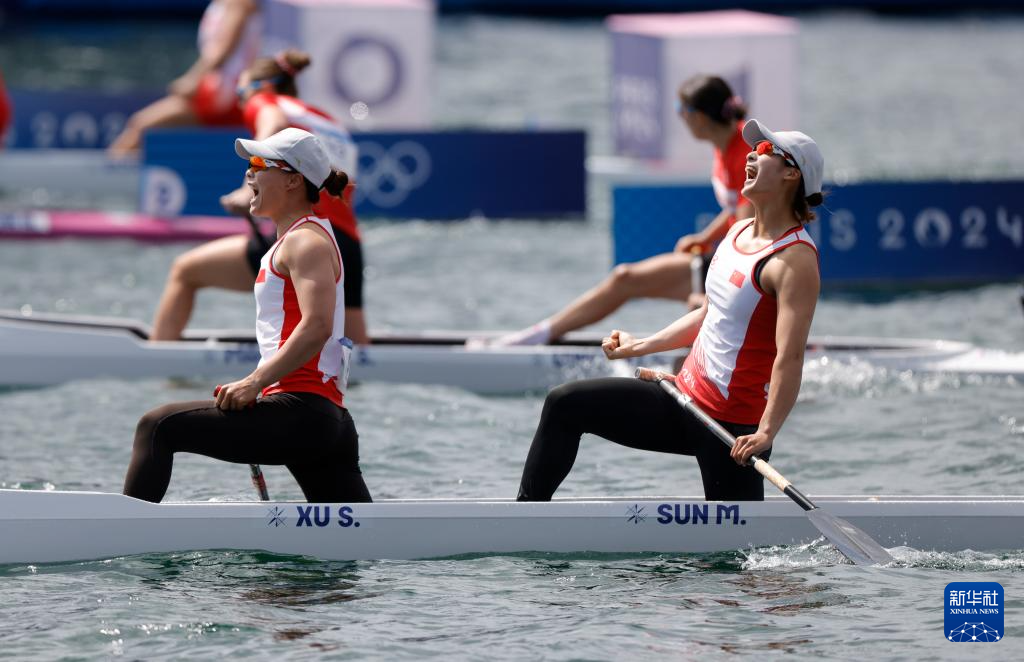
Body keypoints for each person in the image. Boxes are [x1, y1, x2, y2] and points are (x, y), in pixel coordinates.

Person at [516, 119, 824, 502]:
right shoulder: (737, 231)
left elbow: (790, 358)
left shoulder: (794, 260)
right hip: (683, 399)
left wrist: (766, 432)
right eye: (751, 149)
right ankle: (525, 514)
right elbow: (708, 316)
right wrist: (639, 346)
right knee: (564, 404)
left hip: (729, 429)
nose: (749, 157)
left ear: (792, 174)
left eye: (763, 151)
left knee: (733, 542)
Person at [123, 128, 373, 504]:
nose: (248, 173)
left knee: (157, 426)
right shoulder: (297, 239)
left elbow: (317, 326)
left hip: (301, 413)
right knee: (356, 534)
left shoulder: (305, 242)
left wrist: (254, 382)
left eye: (259, 164)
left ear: (292, 180)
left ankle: (125, 529)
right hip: (322, 419)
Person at [481, 75, 753, 347]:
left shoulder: (743, 154)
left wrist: (710, 292)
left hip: (736, 267)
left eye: (681, 109)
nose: (679, 116)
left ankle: (534, 338)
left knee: (625, 279)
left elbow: (746, 229)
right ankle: (539, 335)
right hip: (727, 257)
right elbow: (736, 207)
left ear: (700, 117)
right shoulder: (724, 143)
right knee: (626, 279)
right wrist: (705, 237)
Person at [150, 49, 369, 345]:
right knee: (357, 350)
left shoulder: (265, 100)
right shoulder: (325, 119)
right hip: (347, 242)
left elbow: (273, 123)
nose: (242, 104)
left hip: (303, 239)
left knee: (184, 270)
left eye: (240, 94)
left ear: (261, 87)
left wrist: (246, 190)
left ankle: (158, 355)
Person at [107, 0, 261, 157]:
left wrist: (192, 80)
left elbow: (222, 50)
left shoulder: (237, 3)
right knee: (142, 128)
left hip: (224, 96)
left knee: (140, 126)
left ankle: (111, 169)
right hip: (222, 92)